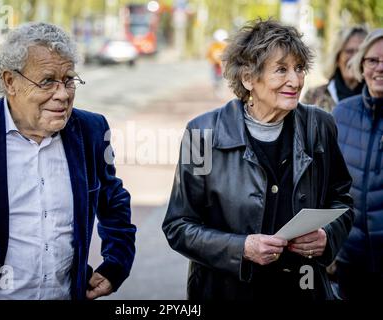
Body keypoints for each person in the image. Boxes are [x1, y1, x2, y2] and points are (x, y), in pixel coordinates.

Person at [0, 22, 136, 300]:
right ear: (10, 81)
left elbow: (114, 200)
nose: (63, 94)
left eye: (68, 80)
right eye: (47, 81)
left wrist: (116, 264)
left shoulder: (91, 129)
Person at [162, 19, 354, 300]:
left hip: (304, 290)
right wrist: (241, 248)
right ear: (249, 78)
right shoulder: (200, 134)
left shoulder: (320, 126)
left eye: (299, 68)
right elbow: (178, 226)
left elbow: (343, 201)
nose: (296, 80)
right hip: (227, 292)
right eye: (281, 70)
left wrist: (327, 237)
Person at [332, 28, 383, 300]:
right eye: (372, 60)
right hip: (351, 258)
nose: (380, 68)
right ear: (361, 67)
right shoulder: (341, 114)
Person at [303, 26, 368, 112]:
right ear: (337, 58)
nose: (355, 58)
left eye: (360, 52)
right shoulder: (313, 96)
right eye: (349, 51)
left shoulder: (376, 97)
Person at [206, 29, 228, 97]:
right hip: (214, 64)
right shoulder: (213, 46)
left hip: (221, 65)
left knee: (222, 78)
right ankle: (216, 88)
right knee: (214, 79)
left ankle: (220, 90)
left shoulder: (225, 45)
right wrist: (212, 61)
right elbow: (209, 55)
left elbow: (228, 55)